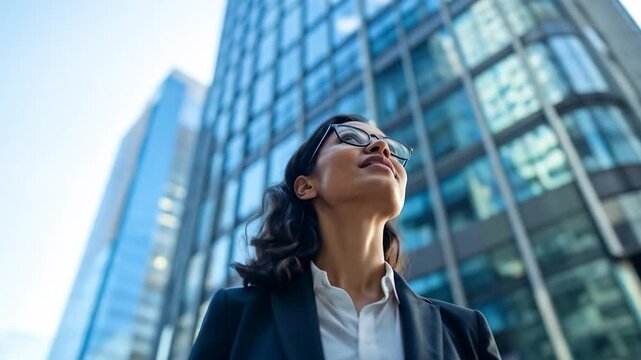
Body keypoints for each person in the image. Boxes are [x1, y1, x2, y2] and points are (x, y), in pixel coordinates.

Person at [189, 114, 501, 360]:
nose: (382, 149)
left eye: (392, 148)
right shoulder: (237, 315)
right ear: (306, 186)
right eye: (352, 138)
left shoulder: (465, 331)